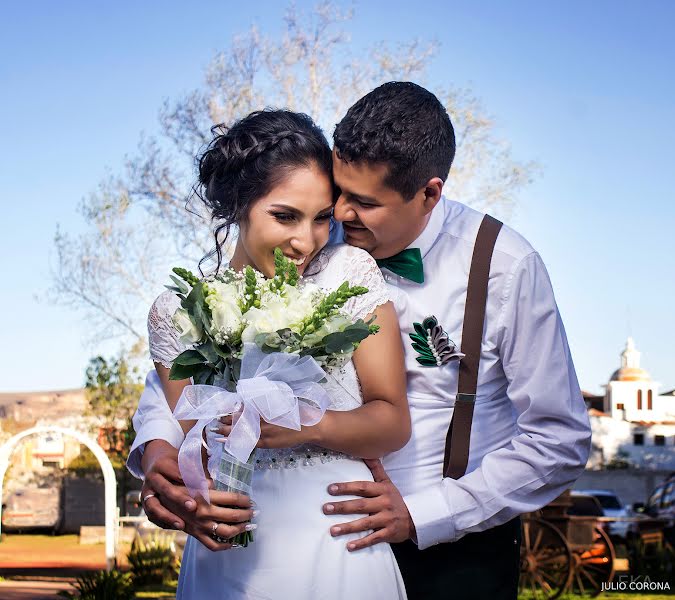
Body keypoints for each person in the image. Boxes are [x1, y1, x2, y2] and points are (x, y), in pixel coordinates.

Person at [130, 83, 592, 600]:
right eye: (337, 195)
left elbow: (558, 438)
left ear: (429, 194)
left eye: (362, 202)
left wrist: (424, 514)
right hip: (291, 532)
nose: (340, 217)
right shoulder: (306, 238)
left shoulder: (504, 267)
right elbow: (202, 369)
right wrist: (157, 450)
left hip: (453, 544)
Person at [135, 108, 410, 599]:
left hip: (339, 536)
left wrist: (309, 426)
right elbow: (187, 447)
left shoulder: (348, 277)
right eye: (284, 216)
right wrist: (188, 503)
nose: (305, 241)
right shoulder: (178, 312)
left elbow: (392, 421)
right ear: (238, 205)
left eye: (322, 218)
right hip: (232, 551)